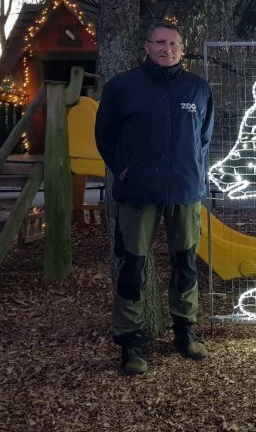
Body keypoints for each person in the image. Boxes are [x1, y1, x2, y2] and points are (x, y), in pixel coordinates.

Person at [95, 21, 215, 375]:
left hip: (185, 191)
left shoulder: (198, 89)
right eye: (160, 42)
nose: (167, 49)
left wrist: (191, 167)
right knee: (132, 265)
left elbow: (204, 138)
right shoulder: (123, 87)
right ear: (146, 46)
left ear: (182, 48)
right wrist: (123, 168)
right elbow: (105, 135)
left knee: (186, 263)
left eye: (174, 43)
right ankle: (129, 341)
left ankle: (184, 329)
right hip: (138, 192)